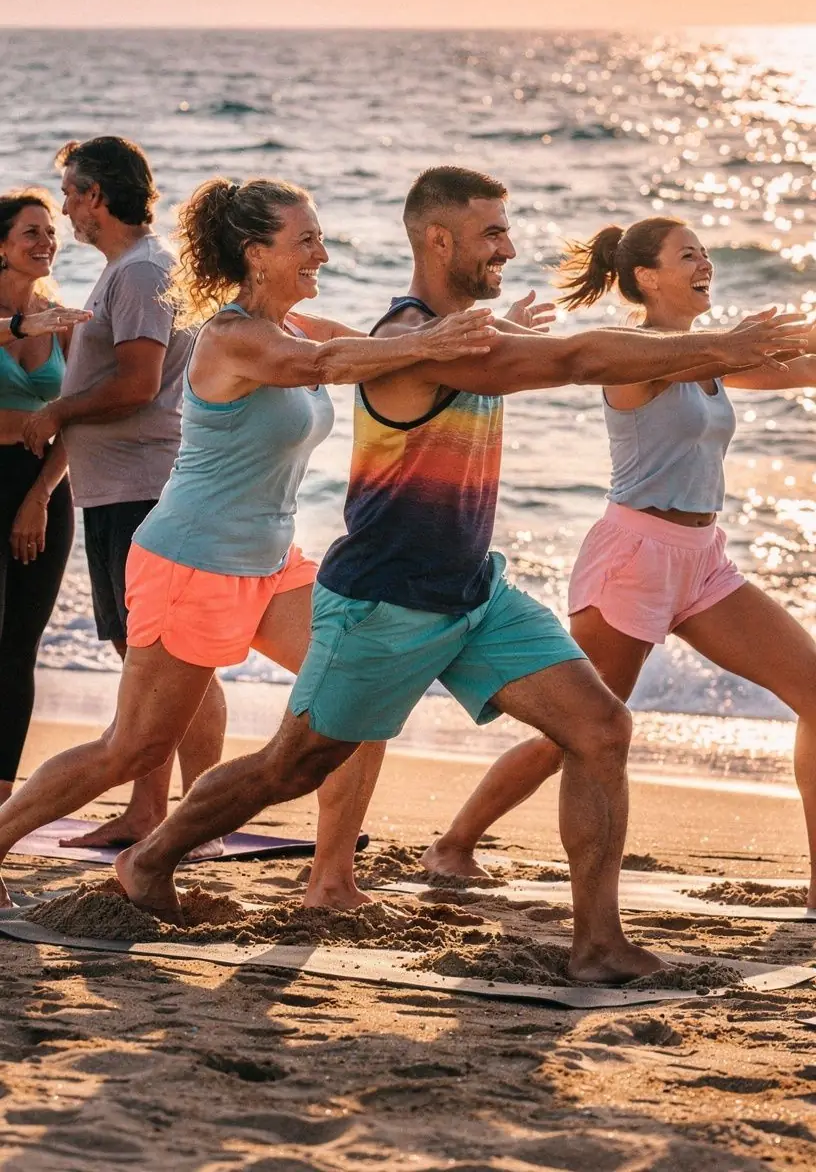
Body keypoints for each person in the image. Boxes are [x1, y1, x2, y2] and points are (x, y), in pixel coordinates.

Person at [110, 168, 803, 983]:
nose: (509, 247)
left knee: (601, 729)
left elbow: (560, 345)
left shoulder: (462, 328)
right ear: (439, 241)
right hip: (383, 601)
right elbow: (576, 358)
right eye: (492, 234)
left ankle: (598, 944)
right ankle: (151, 858)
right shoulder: (416, 338)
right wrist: (721, 346)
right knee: (291, 768)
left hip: (476, 592)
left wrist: (727, 346)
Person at [0, 173, 495, 911]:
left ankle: (332, 882)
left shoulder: (296, 328)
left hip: (270, 563)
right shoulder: (234, 338)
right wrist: (431, 340)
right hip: (191, 562)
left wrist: (476, 333)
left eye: (321, 237)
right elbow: (329, 368)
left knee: (357, 697)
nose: (322, 252)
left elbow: (369, 350)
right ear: (256, 254)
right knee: (131, 749)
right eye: (306, 240)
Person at [421, 215, 816, 911]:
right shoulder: (640, 355)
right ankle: (455, 841)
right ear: (645, 277)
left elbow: (799, 362)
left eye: (706, 253)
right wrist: (741, 343)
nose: (705, 263)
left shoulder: (712, 356)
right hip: (634, 558)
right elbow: (697, 357)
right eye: (687, 254)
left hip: (703, 562)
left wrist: (770, 340)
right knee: (583, 728)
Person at [22, 136, 225, 849]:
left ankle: (199, 819)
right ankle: (148, 812)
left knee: (173, 663)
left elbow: (138, 384)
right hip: (118, 489)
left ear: (98, 196)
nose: (68, 208)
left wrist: (59, 412)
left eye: (73, 192)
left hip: (141, 491)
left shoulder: (140, 272)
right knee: (146, 661)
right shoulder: (128, 271)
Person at [0, 189, 91, 805]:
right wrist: (17, 326)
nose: (45, 243)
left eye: (50, 232)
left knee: (17, 652)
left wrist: (40, 493)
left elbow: (78, 421)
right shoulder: (27, 320)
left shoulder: (61, 317)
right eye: (31, 232)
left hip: (41, 489)